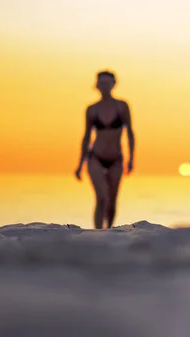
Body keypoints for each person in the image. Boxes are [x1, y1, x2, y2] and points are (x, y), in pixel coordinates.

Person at [74, 70, 135, 229]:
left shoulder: (122, 106)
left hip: (116, 159)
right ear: (97, 85)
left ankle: (108, 230)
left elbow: (130, 133)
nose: (105, 86)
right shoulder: (91, 109)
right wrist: (80, 164)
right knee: (102, 198)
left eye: (108, 83)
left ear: (114, 84)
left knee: (112, 201)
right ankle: (98, 232)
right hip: (96, 158)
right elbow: (86, 137)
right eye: (102, 83)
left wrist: (131, 159)